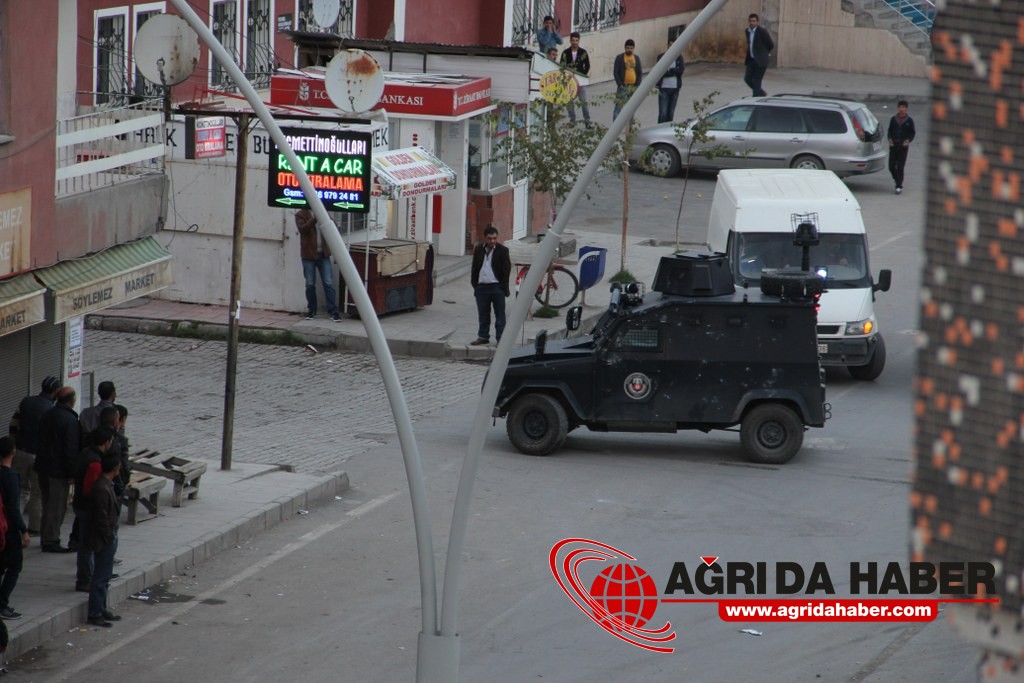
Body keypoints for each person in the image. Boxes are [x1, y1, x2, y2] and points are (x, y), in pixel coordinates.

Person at [10, 376, 60, 536]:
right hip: (39, 456)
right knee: (37, 493)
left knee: (21, 490)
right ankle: (34, 528)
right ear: (56, 391)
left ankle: (14, 523)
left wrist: (14, 446)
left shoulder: (26, 402)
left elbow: (13, 425)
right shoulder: (51, 410)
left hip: (20, 451)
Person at [35, 387, 79, 553]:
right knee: (57, 507)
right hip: (58, 471)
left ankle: (45, 537)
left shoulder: (48, 414)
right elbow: (70, 449)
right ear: (71, 400)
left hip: (43, 467)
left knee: (47, 504)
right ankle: (51, 540)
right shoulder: (70, 420)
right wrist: (71, 473)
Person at [74, 427, 114, 593]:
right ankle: (85, 579)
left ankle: (87, 576)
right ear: (106, 442)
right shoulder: (95, 463)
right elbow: (90, 490)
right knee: (86, 545)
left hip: (81, 504)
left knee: (85, 544)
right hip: (87, 508)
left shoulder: (85, 453)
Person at [85, 454, 122, 628]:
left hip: (109, 535)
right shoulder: (101, 488)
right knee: (100, 576)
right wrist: (109, 537)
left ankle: (102, 607)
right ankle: (95, 612)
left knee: (105, 575)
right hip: (104, 538)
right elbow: (101, 518)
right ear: (115, 468)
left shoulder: (107, 485)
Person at [0, 437, 30, 621]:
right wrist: (23, 530)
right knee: (14, 566)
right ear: (13, 452)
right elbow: (13, 508)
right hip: (8, 529)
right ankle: (2, 604)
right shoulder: (11, 477)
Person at [295, 207, 341, 322]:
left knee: (328, 283)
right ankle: (312, 310)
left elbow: (333, 228)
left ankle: (333, 312)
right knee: (310, 284)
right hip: (308, 255)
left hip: (323, 254)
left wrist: (329, 219)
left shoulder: (324, 213)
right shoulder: (301, 214)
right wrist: (314, 219)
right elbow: (303, 229)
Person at [469, 226, 511, 346]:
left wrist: (503, 288)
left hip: (497, 287)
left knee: (500, 315)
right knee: (483, 314)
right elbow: (474, 268)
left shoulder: (502, 250)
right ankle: (483, 336)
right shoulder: (478, 249)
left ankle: (500, 339)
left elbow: (506, 270)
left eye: (494, 238)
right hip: (482, 287)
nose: (492, 241)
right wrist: (475, 285)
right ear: (485, 238)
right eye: (490, 238)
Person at [560, 32, 592, 125]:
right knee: (569, 103)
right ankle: (572, 120)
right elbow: (562, 66)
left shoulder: (583, 52)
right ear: (570, 41)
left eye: (576, 40)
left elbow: (588, 65)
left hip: (580, 83)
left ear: (579, 41)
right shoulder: (565, 53)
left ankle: (587, 122)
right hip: (569, 82)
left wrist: (582, 75)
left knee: (583, 103)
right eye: (573, 40)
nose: (575, 42)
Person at [887, 100, 916, 195]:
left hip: (903, 147)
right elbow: (890, 130)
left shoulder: (909, 120)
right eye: (900, 107)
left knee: (900, 167)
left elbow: (912, 133)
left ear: (906, 109)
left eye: (903, 107)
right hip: (893, 146)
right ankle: (897, 180)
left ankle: (899, 186)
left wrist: (908, 140)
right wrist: (889, 139)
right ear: (897, 108)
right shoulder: (893, 119)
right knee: (891, 166)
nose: (901, 109)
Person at [744, 13, 774, 97]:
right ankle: (760, 92)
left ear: (757, 22)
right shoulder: (747, 31)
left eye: (753, 21)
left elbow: (770, 44)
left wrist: (763, 53)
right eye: (750, 21)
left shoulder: (762, 32)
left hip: (761, 61)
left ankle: (756, 99)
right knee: (747, 79)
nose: (751, 23)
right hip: (751, 59)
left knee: (757, 80)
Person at [613, 39, 643, 121]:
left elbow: (640, 72)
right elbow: (616, 72)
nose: (629, 50)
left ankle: (630, 128)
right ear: (624, 48)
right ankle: (614, 128)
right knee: (618, 107)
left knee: (631, 109)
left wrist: (637, 85)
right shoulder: (620, 58)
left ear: (634, 48)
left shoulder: (636, 58)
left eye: (631, 48)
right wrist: (620, 84)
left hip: (633, 87)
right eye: (628, 48)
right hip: (623, 87)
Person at [656, 42, 686, 123]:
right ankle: (659, 130)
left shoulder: (679, 57)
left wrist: (671, 70)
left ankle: (667, 129)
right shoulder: (661, 57)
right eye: (670, 46)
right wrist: (672, 72)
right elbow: (660, 71)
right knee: (663, 113)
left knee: (671, 113)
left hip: (675, 88)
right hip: (664, 88)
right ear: (668, 46)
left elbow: (681, 70)